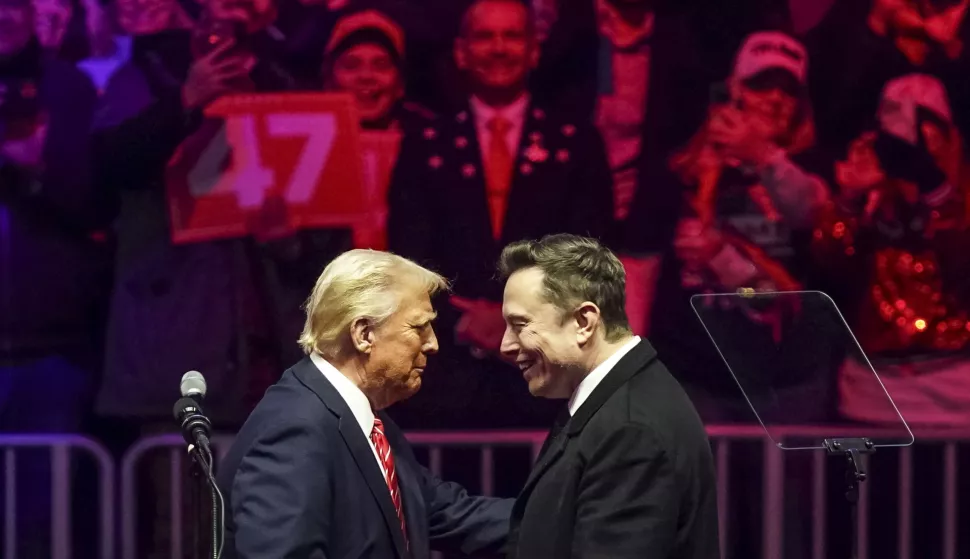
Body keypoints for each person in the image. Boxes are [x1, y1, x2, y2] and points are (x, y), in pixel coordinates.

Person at [386, 0, 613, 428]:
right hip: (448, 378)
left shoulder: (578, 144)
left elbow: (589, 256)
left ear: (533, 50)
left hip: (546, 380)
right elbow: (408, 257)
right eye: (485, 37)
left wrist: (514, 320)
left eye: (512, 36)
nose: (498, 49)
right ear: (461, 52)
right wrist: (467, 322)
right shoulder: (425, 145)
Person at [217, 249, 514, 559]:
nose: (433, 343)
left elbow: (450, 514)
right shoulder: (295, 428)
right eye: (419, 327)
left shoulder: (362, 416)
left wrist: (561, 518)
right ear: (363, 334)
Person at [497, 234, 718, 559]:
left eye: (520, 324)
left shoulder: (631, 430)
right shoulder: (616, 402)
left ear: (583, 322)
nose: (506, 345)